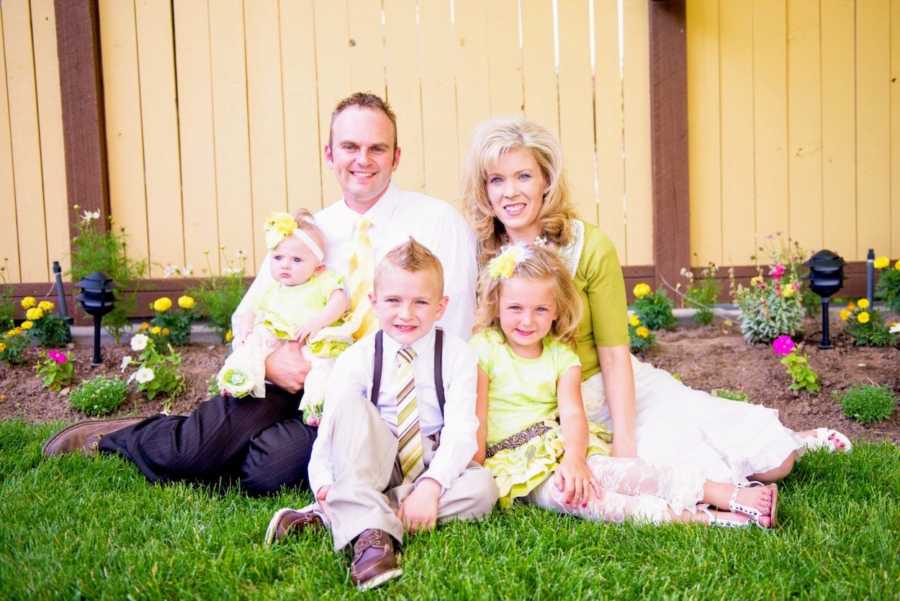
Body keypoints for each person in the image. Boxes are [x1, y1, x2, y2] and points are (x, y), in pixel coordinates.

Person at [41, 92, 477, 496]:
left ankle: (216, 438)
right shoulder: (308, 234)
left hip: (369, 395)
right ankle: (122, 436)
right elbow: (248, 314)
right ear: (329, 154)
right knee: (192, 453)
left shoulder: (438, 224)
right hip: (288, 383)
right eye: (349, 147)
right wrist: (268, 360)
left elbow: (453, 329)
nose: (362, 160)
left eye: (377, 148)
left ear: (396, 156)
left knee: (270, 471)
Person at [462, 117, 851, 487]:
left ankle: (793, 438)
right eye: (497, 179)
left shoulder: (589, 247)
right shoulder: (476, 253)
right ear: (485, 189)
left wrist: (625, 446)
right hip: (534, 408)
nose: (510, 192)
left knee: (773, 463)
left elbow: (614, 355)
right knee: (689, 473)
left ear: (547, 180)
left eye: (523, 176)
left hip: (602, 392)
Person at [470, 244, 775, 527]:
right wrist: (473, 468)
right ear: (496, 305)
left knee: (618, 474)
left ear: (556, 311)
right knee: (580, 498)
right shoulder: (484, 349)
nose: (527, 320)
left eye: (540, 309)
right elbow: (477, 417)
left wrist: (575, 460)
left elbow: (573, 414)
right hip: (515, 465)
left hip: (558, 446)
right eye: (515, 308)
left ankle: (725, 494)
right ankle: (706, 518)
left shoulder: (561, 357)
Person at [264, 240, 497, 591]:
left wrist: (432, 487)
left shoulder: (457, 355)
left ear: (441, 306)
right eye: (393, 301)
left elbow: (463, 430)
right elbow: (330, 433)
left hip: (427, 462)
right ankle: (371, 538)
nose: (406, 314)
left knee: (483, 489)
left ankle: (337, 516)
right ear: (373, 303)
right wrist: (325, 482)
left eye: (420, 302)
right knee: (352, 409)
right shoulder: (356, 358)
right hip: (371, 461)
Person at [218, 210, 348, 426]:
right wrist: (246, 323)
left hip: (311, 337)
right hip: (277, 336)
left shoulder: (322, 280)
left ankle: (317, 406)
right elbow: (253, 307)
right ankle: (238, 376)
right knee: (253, 343)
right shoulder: (275, 287)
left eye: (297, 259)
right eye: (278, 258)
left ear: (318, 265)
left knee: (323, 366)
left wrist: (319, 321)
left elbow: (340, 301)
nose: (285, 265)